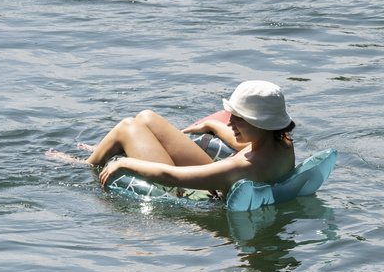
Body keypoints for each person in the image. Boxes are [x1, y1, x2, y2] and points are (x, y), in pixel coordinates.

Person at [51, 80, 297, 197]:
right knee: (146, 118)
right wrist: (211, 124)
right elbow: (241, 145)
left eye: (238, 118)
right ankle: (113, 146)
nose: (230, 122)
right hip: (218, 178)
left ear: (260, 124)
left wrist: (124, 163)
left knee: (128, 126)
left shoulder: (240, 166)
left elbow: (171, 176)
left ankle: (88, 164)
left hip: (197, 192)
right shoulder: (281, 141)